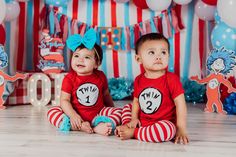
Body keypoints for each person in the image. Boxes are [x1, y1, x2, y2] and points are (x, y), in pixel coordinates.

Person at [116, 33, 189, 144]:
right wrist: (134, 118)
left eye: (163, 52)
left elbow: (180, 104)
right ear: (138, 58)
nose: (158, 56)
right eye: (152, 52)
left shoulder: (171, 79)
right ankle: (130, 124)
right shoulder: (139, 80)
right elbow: (136, 101)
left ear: (168, 56)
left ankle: (134, 133)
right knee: (128, 107)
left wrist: (181, 129)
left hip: (163, 123)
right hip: (142, 121)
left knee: (167, 129)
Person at [47, 28, 122, 136]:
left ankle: (98, 125)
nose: (80, 60)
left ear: (97, 63)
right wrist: (73, 115)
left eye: (87, 57)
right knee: (52, 111)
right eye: (76, 56)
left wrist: (112, 110)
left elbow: (106, 95)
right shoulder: (69, 78)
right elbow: (64, 100)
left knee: (119, 112)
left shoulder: (100, 76)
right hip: (75, 114)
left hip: (98, 114)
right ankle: (79, 125)